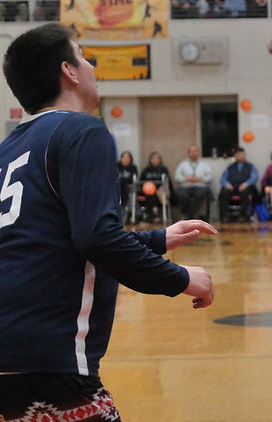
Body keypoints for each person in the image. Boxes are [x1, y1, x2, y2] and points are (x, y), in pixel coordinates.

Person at [0, 23, 215, 420]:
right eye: (84, 57)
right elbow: (97, 239)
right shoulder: (81, 129)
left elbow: (50, 238)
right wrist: (181, 278)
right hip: (51, 359)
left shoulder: (8, 148)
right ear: (68, 71)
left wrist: (157, 239)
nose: (92, 67)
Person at [218, 147, 259, 222]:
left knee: (245, 192)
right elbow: (223, 178)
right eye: (238, 154)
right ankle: (225, 216)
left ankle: (243, 215)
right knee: (224, 192)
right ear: (235, 156)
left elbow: (254, 177)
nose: (241, 156)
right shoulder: (230, 167)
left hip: (245, 187)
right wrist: (227, 184)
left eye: (242, 154)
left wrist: (246, 183)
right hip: (232, 187)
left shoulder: (250, 166)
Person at [173, 144, 213, 220]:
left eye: (196, 151)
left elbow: (209, 177)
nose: (194, 153)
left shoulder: (204, 164)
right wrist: (186, 179)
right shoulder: (183, 164)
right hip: (186, 186)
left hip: (200, 186)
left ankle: (189, 215)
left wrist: (200, 179)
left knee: (201, 194)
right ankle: (187, 214)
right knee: (182, 195)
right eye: (192, 151)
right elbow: (176, 177)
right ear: (188, 153)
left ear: (199, 153)